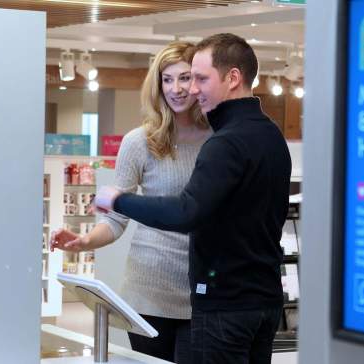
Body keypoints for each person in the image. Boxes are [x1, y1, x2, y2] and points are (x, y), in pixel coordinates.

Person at [93, 33, 292, 364]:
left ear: (232, 78)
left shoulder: (225, 143)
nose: (191, 89)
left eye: (199, 78)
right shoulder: (270, 134)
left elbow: (186, 212)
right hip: (263, 301)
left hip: (224, 305)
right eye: (173, 79)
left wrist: (118, 200)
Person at [50, 41, 211, 363]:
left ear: (199, 81)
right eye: (167, 80)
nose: (176, 89)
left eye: (183, 78)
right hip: (148, 290)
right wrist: (85, 241)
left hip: (205, 289)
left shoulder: (218, 140)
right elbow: (114, 215)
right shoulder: (140, 141)